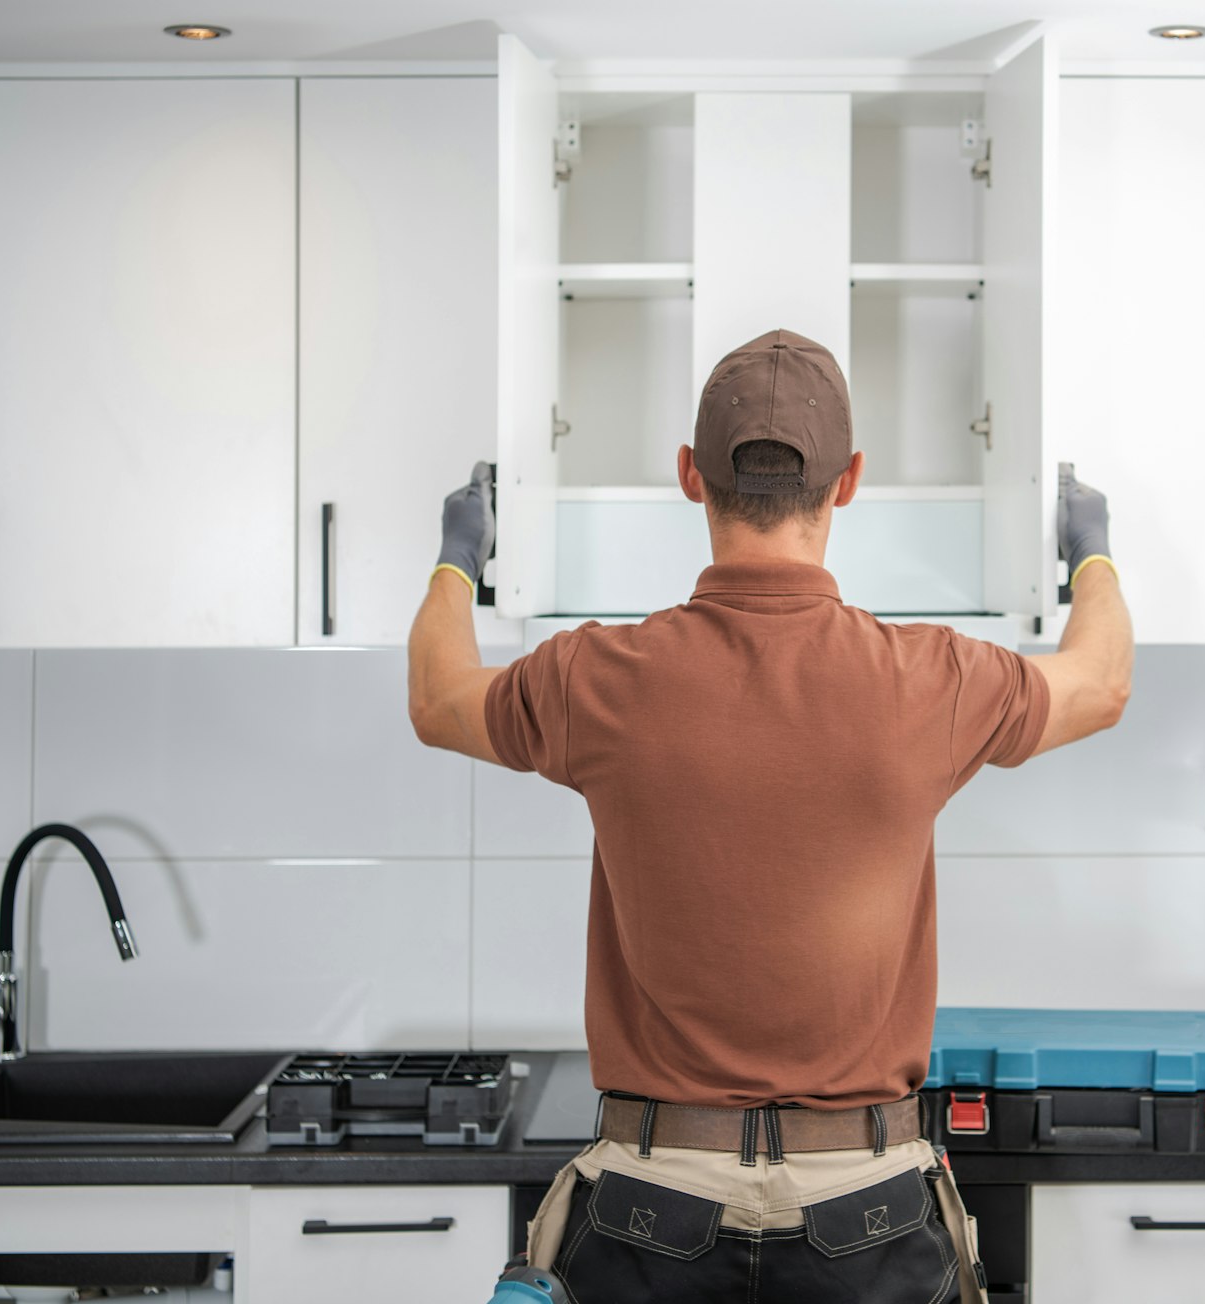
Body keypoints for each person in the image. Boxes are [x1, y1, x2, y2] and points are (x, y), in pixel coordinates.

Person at [409, 328, 1133, 1304]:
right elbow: (1100, 682)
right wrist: (1088, 551)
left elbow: (438, 695)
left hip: (650, 1205)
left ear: (687, 475)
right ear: (848, 481)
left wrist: (459, 556)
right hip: (866, 1209)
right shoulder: (931, 679)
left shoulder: (596, 677)